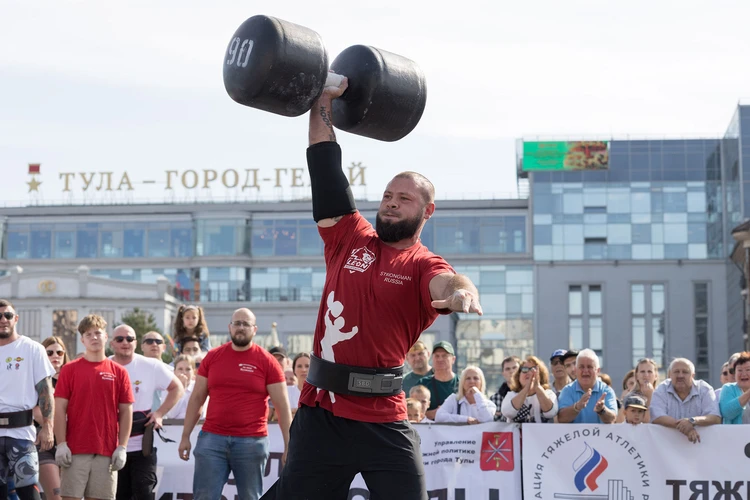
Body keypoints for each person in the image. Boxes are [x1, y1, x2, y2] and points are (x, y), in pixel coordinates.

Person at [262, 78, 483, 500]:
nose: (391, 202)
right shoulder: (349, 236)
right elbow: (325, 166)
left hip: (384, 418)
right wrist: (323, 99)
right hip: (322, 412)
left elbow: (450, 280)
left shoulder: (422, 264)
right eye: (387, 195)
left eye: (404, 198)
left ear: (427, 211)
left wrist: (462, 293)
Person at [179, 308, 290, 500]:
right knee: (204, 497)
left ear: (254, 329)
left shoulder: (268, 362)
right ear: (230, 327)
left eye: (246, 324)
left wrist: (289, 445)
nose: (241, 328)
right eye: (237, 323)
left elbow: (282, 407)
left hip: (252, 442)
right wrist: (185, 436)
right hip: (212, 440)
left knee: (250, 497)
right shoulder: (212, 358)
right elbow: (197, 398)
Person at [54, 314, 134, 500]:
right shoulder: (69, 370)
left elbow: (126, 412)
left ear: (106, 337)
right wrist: (61, 444)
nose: (94, 337)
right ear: (82, 340)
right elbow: (59, 409)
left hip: (106, 452)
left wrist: (122, 446)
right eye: (88, 334)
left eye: (98, 333)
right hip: (74, 450)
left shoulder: (119, 372)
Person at [110, 325, 183, 500]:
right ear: (112, 343)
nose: (125, 342)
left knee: (144, 493)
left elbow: (177, 388)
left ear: (136, 343)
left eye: (130, 339)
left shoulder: (151, 365)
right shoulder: (104, 366)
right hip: (111, 445)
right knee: (119, 495)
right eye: (120, 339)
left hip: (142, 445)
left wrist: (159, 413)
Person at [0, 299, 56, 500]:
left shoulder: (32, 349)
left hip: (22, 434)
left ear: (16, 318)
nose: (3, 320)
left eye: (7, 315)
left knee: (28, 492)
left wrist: (48, 427)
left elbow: (46, 391)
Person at [650, 358, 720, 444]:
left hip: (701, 447)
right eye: (676, 372)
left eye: (685, 372)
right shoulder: (661, 389)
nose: (680, 376)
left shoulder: (704, 389)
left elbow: (715, 417)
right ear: (669, 375)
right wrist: (686, 427)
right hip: (666, 448)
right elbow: (657, 416)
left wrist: (692, 421)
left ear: (693, 376)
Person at [34, 336, 70, 500]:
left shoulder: (72, 379)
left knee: (71, 496)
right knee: (56, 496)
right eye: (49, 352)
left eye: (59, 352)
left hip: (72, 444)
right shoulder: (36, 379)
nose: (55, 356)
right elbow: (37, 413)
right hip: (45, 444)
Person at [557, 349, 617, 424]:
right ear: (575, 370)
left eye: (589, 367)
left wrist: (602, 410)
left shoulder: (606, 391)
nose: (585, 371)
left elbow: (612, 419)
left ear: (597, 371)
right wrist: (577, 407)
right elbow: (561, 418)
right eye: (581, 367)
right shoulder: (567, 391)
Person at [501, 356, 558, 423]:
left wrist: (538, 388)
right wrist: (526, 389)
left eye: (534, 370)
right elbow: (507, 412)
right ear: (518, 376)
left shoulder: (549, 394)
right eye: (524, 370)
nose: (529, 373)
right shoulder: (511, 395)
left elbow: (551, 413)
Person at [416, 341, 460, 421]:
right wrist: (435, 413)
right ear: (432, 359)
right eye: (437, 356)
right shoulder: (423, 384)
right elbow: (413, 412)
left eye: (444, 356)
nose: (440, 359)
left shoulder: (462, 383)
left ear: (453, 359)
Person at [165, 355, 205, 419]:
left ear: (193, 372)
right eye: (180, 369)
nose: (184, 372)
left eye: (188, 369)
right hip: (173, 427)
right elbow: (171, 414)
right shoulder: (168, 388)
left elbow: (201, 413)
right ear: (174, 372)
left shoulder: (199, 386)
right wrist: (181, 390)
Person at [719, 352, 750, 424]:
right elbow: (727, 413)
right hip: (736, 434)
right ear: (734, 374)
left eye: (748, 370)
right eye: (739, 370)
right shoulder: (728, 388)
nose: (744, 374)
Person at [489, 355, 521, 421]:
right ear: (503, 373)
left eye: (514, 367)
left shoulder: (529, 394)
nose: (511, 371)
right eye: (507, 369)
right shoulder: (494, 398)